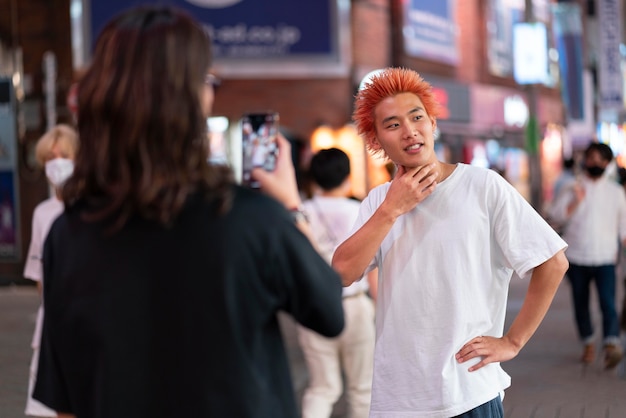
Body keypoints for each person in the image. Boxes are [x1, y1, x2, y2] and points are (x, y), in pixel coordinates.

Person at [32, 6, 344, 418]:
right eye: (207, 79)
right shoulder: (251, 219)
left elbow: (65, 399)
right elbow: (327, 310)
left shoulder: (69, 233)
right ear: (192, 97)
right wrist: (290, 204)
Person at [331, 67, 569, 417]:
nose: (409, 131)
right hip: (398, 396)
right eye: (393, 124)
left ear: (433, 123)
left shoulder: (482, 186)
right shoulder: (377, 202)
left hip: (468, 390)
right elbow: (342, 272)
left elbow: (553, 262)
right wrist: (392, 208)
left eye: (417, 117)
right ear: (377, 140)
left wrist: (513, 341)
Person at [298, 148, 376, 418]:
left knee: (322, 387)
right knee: (362, 389)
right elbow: (373, 266)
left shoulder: (299, 212)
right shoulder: (361, 210)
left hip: (313, 308)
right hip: (355, 305)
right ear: (347, 176)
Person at [549, 142, 626, 368]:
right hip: (577, 257)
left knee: (607, 302)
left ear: (607, 163)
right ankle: (588, 342)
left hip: (605, 258)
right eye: (592, 158)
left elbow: (623, 226)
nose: (596, 163)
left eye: (601, 160)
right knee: (580, 304)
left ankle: (611, 344)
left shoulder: (616, 192)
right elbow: (556, 216)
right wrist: (576, 200)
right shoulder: (573, 186)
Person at [23, 123, 78, 418]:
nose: (56, 162)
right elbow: (40, 275)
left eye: (63, 155)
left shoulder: (90, 209)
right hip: (50, 326)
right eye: (50, 157)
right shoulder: (42, 213)